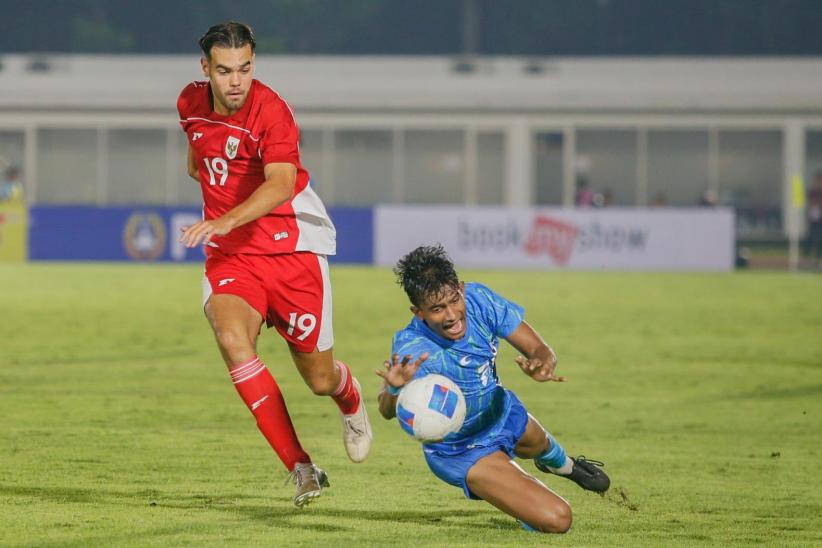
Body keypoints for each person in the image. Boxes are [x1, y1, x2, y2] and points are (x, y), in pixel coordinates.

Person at [176, 21, 371, 508]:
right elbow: (197, 160)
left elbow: (281, 184)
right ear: (207, 69)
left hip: (291, 251)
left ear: (253, 64)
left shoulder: (273, 111)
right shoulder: (188, 104)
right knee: (231, 340)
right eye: (224, 71)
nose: (236, 81)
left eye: (244, 69)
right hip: (234, 258)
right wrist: (220, 215)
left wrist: (227, 218)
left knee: (319, 379)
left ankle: (350, 397)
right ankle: (302, 467)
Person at [376, 245, 609, 533]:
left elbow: (538, 348)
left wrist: (543, 364)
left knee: (539, 444)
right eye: (437, 309)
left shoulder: (479, 300)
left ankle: (561, 465)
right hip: (461, 451)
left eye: (453, 300)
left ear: (461, 289)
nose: (451, 315)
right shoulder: (413, 347)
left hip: (501, 412)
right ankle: (519, 499)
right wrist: (395, 389)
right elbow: (386, 411)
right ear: (419, 312)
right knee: (558, 519)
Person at [804, 172, 822, 267]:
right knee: (810, 238)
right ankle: (808, 259)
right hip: (813, 219)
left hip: (820, 220)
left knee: (820, 240)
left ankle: (818, 259)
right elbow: (809, 203)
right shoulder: (812, 191)